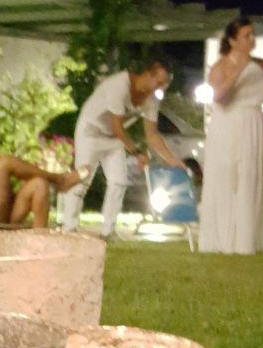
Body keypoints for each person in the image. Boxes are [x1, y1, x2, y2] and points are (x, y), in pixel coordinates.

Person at [61, 55, 185, 239]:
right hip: (91, 131)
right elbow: (117, 126)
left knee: (119, 181)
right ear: (148, 75)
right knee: (82, 178)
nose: (160, 88)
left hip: (113, 138)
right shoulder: (119, 85)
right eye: (159, 83)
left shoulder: (151, 100)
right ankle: (68, 228)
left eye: (164, 85)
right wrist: (137, 153)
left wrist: (172, 160)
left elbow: (152, 134)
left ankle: (108, 231)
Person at [198, 17, 263, 255]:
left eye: (252, 35)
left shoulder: (258, 64)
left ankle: (247, 240)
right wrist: (238, 68)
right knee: (226, 177)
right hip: (227, 123)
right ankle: (223, 238)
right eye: (246, 36)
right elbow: (219, 96)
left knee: (250, 176)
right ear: (233, 40)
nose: (252, 39)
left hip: (252, 122)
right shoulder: (221, 65)